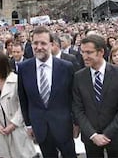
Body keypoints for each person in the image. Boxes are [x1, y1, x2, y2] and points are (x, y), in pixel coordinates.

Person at [17, 26, 76, 158]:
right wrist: (28, 124)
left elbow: (73, 97)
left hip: (63, 126)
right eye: (35, 43)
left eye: (43, 43)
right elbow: (23, 98)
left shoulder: (66, 67)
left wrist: (75, 123)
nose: (39, 47)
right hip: (40, 127)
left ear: (51, 44)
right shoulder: (24, 68)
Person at [72, 34, 118, 158]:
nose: (84, 56)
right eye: (82, 52)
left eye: (89, 52)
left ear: (101, 52)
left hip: (115, 135)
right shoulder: (79, 77)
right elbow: (78, 109)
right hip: (90, 137)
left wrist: (107, 134)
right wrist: (93, 135)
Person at [0, 51, 36, 158]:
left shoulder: (16, 80)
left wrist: (13, 125)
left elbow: (23, 105)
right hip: (0, 129)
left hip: (17, 128)